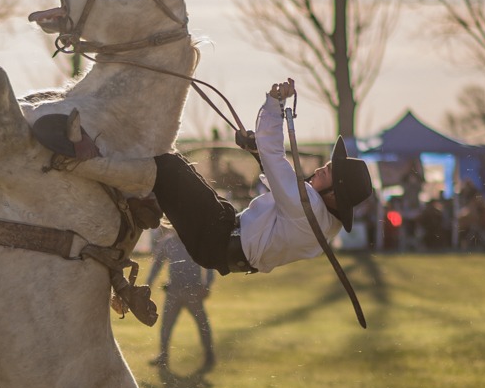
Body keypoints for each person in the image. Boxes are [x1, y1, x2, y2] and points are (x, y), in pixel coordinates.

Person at [149, 78, 373, 275]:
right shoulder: (323, 221)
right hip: (222, 234)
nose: (318, 170)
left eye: (327, 172)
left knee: (166, 164)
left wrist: (275, 105)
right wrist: (257, 152)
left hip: (216, 238)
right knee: (176, 167)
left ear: (333, 195)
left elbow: (274, 156)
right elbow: (282, 184)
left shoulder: (310, 208)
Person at [148, 226, 217, 372]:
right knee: (166, 326)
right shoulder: (167, 242)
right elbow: (157, 264)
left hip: (193, 291)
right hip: (174, 290)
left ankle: (209, 355)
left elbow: (210, 264)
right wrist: (148, 284)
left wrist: (207, 285)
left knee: (202, 324)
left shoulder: (196, 241)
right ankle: (163, 356)